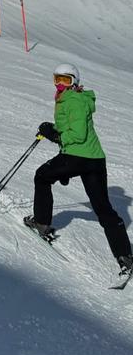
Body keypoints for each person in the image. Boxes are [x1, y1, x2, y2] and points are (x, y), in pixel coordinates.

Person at [24, 63, 133, 278]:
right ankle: (125, 255)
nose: (61, 84)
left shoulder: (72, 100)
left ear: (75, 81)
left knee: (42, 176)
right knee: (103, 207)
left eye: (66, 80)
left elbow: (78, 133)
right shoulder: (78, 99)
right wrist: (53, 130)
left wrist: (55, 136)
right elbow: (73, 128)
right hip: (94, 159)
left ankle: (42, 223)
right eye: (57, 79)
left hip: (76, 156)